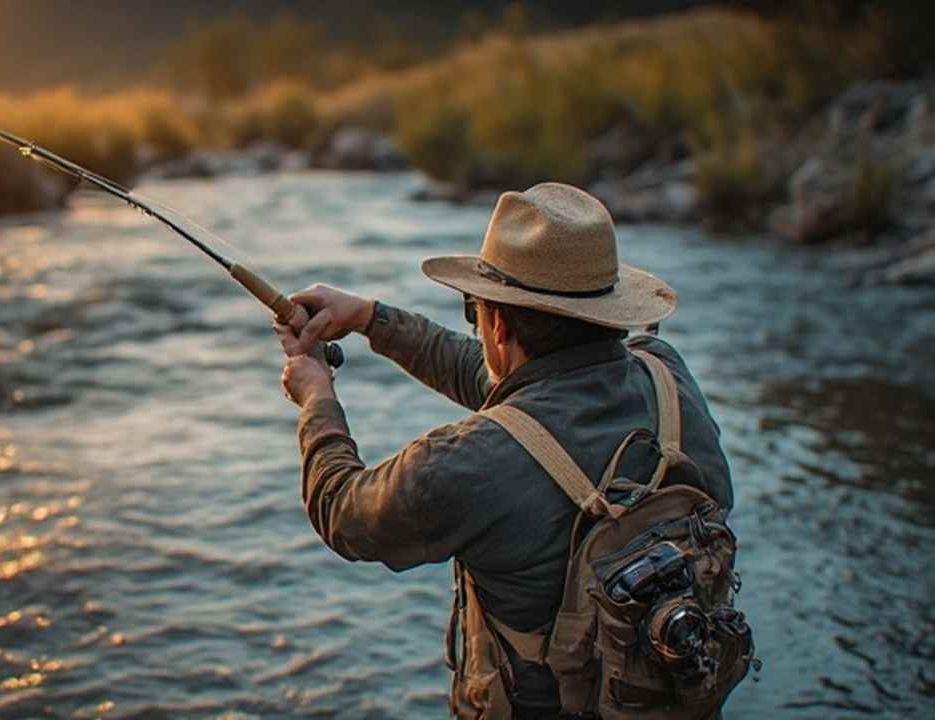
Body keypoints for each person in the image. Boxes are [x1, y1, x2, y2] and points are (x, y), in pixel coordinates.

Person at [273, 183, 734, 718]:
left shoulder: (466, 465)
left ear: (497, 323)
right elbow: (502, 380)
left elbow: (343, 511)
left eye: (476, 310)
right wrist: (371, 318)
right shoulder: (666, 374)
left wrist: (316, 397)